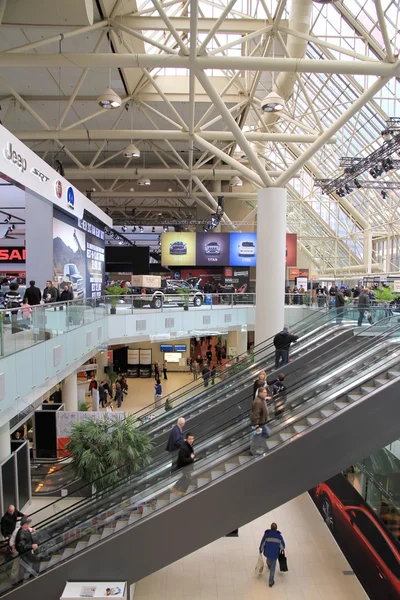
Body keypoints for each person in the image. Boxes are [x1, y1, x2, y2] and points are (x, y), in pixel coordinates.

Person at [259, 522, 285, 588]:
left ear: (270, 528)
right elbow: (282, 546)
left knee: (268, 560)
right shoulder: (279, 536)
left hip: (267, 552)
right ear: (276, 529)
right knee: (273, 568)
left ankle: (268, 564)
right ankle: (271, 582)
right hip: (275, 554)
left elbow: (262, 543)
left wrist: (260, 550)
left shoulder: (267, 535)